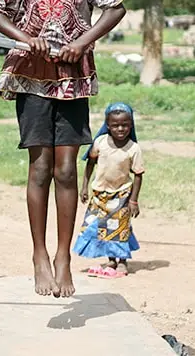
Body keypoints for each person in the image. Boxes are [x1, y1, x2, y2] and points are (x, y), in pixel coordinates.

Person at [0, 0, 129, 297]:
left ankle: (64, 256)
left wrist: (83, 42)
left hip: (71, 80)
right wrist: (24, 37)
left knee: (66, 170)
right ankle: (39, 255)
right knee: (41, 166)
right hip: (31, 80)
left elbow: (116, 8)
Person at [74, 103, 144, 277]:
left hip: (121, 195)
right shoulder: (100, 143)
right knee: (100, 227)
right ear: (107, 124)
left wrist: (133, 200)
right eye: (115, 125)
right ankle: (111, 260)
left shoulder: (133, 149)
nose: (120, 129)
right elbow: (90, 163)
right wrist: (84, 187)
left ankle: (122, 262)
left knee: (119, 228)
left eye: (125, 125)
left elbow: (138, 175)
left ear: (131, 125)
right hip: (99, 194)